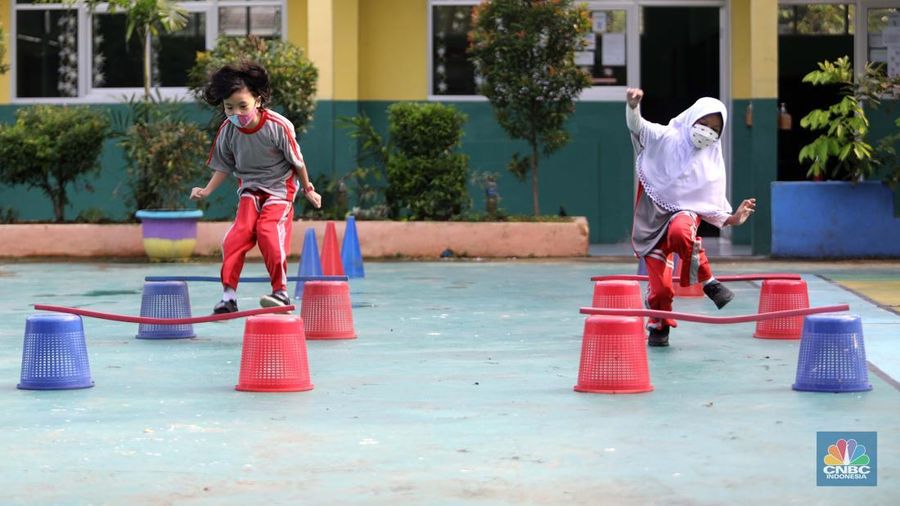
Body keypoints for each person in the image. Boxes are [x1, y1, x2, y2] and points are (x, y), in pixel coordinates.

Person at [625, 88, 756, 347]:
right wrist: (632, 107)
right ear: (692, 118)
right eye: (703, 123)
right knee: (661, 290)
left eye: (714, 128)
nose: (707, 130)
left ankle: (708, 281)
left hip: (684, 215)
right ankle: (658, 324)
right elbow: (638, 126)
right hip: (652, 220)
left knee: (681, 231)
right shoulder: (666, 137)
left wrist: (734, 219)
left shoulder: (712, 163)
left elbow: (712, 208)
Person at [190, 61, 322, 314]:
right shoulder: (228, 130)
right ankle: (228, 297)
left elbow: (298, 162)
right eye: (229, 107)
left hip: (280, 190)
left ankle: (281, 292)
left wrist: (308, 189)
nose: (237, 113)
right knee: (236, 236)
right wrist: (206, 190)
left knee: (268, 231)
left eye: (243, 106)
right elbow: (224, 166)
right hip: (250, 189)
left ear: (258, 101)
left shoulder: (278, 126)